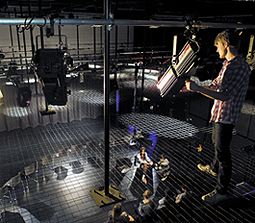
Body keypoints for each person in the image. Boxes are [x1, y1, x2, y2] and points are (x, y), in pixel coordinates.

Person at [185, 30, 251, 204]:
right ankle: (213, 168)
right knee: (217, 146)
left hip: (226, 118)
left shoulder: (239, 67)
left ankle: (221, 191)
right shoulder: (228, 64)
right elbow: (215, 85)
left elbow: (225, 95)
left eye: (218, 46)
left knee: (223, 154)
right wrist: (196, 85)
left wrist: (198, 89)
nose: (216, 50)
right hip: (219, 116)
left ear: (226, 44)